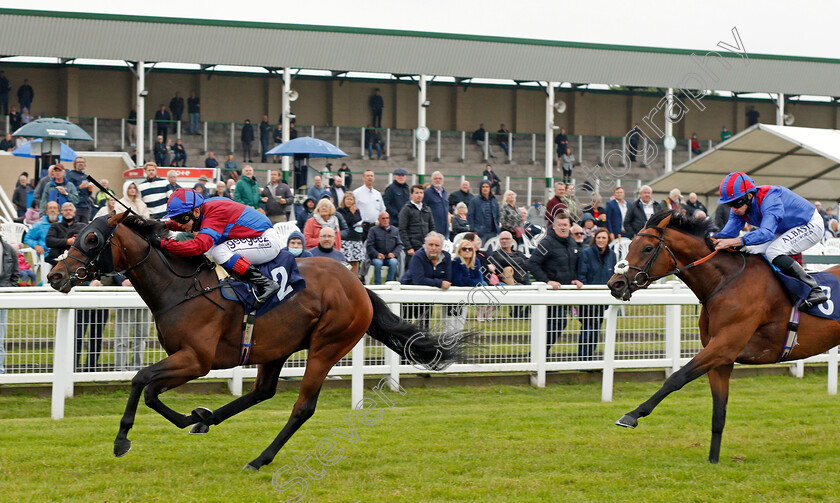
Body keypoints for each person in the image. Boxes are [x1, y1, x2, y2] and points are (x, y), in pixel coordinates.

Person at [712, 172, 829, 308]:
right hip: (785, 229)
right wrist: (708, 240)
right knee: (752, 252)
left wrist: (735, 241)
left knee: (774, 251)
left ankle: (814, 289)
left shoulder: (770, 199)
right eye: (729, 204)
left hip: (810, 224)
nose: (734, 209)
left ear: (749, 196)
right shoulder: (740, 208)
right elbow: (726, 234)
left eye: (736, 203)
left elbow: (766, 234)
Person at [152, 188, 283, 306]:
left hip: (266, 240)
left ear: (196, 212)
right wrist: (159, 224)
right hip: (253, 237)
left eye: (180, 219)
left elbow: (198, 246)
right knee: (209, 254)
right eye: (175, 219)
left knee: (219, 252)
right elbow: (188, 224)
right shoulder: (203, 208)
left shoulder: (215, 213)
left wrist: (162, 243)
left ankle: (266, 284)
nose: (179, 224)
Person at [527, 212, 583, 354]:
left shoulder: (571, 241)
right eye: (560, 225)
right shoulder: (547, 242)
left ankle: (537, 355)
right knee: (559, 322)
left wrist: (575, 278)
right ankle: (537, 355)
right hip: (550, 293)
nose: (563, 228)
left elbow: (574, 264)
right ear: (554, 226)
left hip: (565, 292)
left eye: (566, 225)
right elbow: (532, 263)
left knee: (555, 324)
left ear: (570, 226)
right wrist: (547, 281)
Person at [577, 227, 616, 361]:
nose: (601, 240)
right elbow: (581, 275)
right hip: (588, 299)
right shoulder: (586, 253)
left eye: (604, 238)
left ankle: (590, 358)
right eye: (598, 237)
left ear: (608, 240)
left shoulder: (612, 255)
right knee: (587, 330)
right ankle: (583, 359)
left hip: (602, 299)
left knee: (596, 330)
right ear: (595, 238)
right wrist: (587, 294)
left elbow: (613, 275)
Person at [0, 234, 20, 373]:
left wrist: (9, 288)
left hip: (3, 294)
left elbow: (15, 272)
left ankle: (0, 370)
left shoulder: (8, 249)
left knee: (0, 336)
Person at [366, 211, 403, 284]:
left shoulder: (395, 230)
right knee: (378, 263)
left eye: (387, 218)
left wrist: (394, 254)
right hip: (377, 257)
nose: (385, 220)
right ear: (379, 220)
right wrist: (377, 254)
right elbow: (369, 245)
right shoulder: (373, 230)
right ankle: (378, 284)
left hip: (390, 257)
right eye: (383, 218)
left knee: (394, 262)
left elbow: (399, 244)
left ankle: (389, 283)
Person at [399, 184, 435, 258]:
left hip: (426, 246)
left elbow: (432, 227)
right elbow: (402, 229)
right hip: (412, 248)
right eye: (417, 193)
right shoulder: (406, 209)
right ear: (411, 195)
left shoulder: (427, 209)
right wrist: (408, 247)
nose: (419, 195)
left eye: (421, 193)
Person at [353, 170, 386, 240]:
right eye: (367, 176)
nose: (370, 178)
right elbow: (353, 209)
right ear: (363, 178)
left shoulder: (377, 194)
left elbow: (382, 209)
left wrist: (379, 221)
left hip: (376, 226)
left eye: (371, 176)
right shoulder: (356, 193)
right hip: (362, 227)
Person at [338, 192, 365, 275]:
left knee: (355, 262)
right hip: (346, 240)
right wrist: (351, 213)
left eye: (351, 199)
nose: (349, 201)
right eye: (348, 199)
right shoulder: (340, 211)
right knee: (346, 262)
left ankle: (354, 279)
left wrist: (353, 213)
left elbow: (358, 221)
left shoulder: (356, 211)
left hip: (356, 239)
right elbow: (347, 222)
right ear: (344, 200)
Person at [65, 157, 93, 223]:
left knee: (85, 228)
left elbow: (88, 194)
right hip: (75, 206)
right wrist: (79, 187)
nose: (81, 164)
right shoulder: (70, 175)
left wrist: (90, 189)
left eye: (82, 162)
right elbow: (68, 191)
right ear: (75, 164)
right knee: (75, 227)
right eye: (79, 162)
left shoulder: (86, 177)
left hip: (86, 207)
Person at [424, 171, 449, 237]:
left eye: (440, 178)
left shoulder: (444, 193)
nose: (438, 180)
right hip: (434, 230)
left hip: (445, 230)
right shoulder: (427, 193)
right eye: (435, 178)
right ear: (432, 181)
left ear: (443, 180)